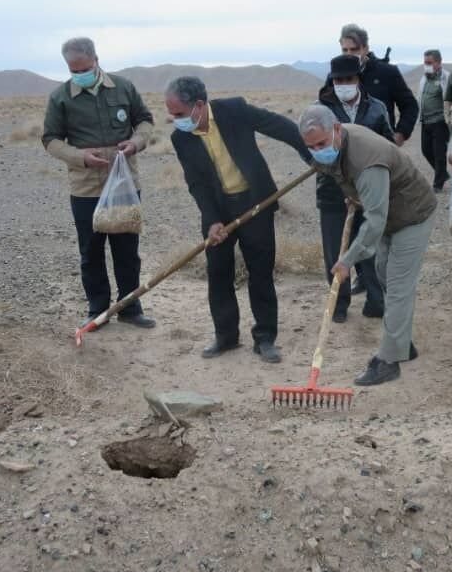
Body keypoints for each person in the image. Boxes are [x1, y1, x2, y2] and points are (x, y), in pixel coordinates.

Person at [166, 76, 312, 362]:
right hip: (218, 211)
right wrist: (211, 220)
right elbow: (196, 182)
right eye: (172, 115)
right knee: (218, 272)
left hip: (256, 202)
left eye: (179, 114)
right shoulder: (180, 137)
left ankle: (266, 338)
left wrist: (311, 155)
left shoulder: (234, 110)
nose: (175, 120)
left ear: (198, 105)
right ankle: (225, 336)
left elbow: (280, 127)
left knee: (261, 272)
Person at [300, 105, 436, 387]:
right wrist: (356, 195)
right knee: (384, 272)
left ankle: (388, 361)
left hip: (413, 214)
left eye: (321, 143)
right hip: (390, 214)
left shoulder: (366, 158)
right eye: (311, 146)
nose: (317, 150)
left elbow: (374, 222)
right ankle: (402, 343)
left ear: (336, 129)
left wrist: (348, 260)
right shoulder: (339, 145)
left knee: (398, 284)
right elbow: (348, 178)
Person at [42, 37, 156, 329]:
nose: (79, 73)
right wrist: (79, 156)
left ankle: (130, 309)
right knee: (91, 251)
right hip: (86, 188)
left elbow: (144, 120)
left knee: (127, 250)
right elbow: (51, 139)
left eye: (84, 67)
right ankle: (98, 309)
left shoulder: (123, 87)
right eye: (72, 69)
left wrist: (136, 142)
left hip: (124, 184)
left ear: (96, 60)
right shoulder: (61, 98)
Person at [314, 54, 393, 322]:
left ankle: (375, 299)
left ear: (358, 79)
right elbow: (314, 152)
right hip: (332, 192)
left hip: (368, 192)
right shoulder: (319, 111)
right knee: (335, 249)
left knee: (368, 245)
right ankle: (338, 303)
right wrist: (344, 188)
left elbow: (387, 149)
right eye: (338, 80)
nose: (343, 84)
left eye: (348, 79)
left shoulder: (377, 108)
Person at [331, 23, 419, 147]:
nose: (349, 54)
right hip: (345, 149)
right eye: (345, 50)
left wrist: (399, 135)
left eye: (354, 49)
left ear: (365, 48)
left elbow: (410, 106)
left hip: (381, 148)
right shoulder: (335, 77)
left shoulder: (387, 73)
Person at [415, 49, 450, 191]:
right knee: (425, 150)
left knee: (439, 153)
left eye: (429, 62)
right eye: (425, 62)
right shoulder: (424, 78)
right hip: (426, 121)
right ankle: (442, 174)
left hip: (440, 122)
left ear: (438, 62)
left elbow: (449, 98)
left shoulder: (446, 77)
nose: (426, 65)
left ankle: (438, 184)